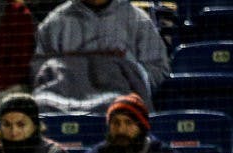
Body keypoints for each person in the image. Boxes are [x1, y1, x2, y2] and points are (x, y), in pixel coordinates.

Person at [31, 0, 170, 114]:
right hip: (61, 99)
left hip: (118, 97)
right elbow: (39, 71)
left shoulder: (138, 21)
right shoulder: (55, 21)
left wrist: (126, 75)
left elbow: (158, 70)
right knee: (39, 104)